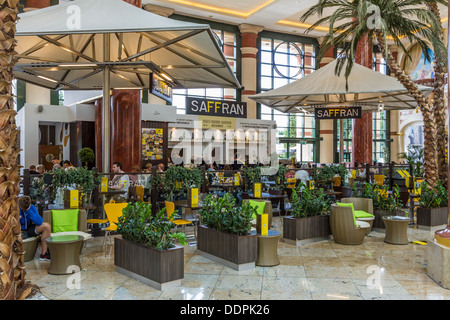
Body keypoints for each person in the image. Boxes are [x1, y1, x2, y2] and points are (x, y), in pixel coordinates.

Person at [19, 196, 52, 261]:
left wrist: (28, 211)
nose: (22, 208)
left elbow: (39, 222)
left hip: (29, 229)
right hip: (19, 230)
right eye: (21, 207)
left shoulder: (31, 207)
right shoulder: (16, 208)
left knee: (47, 226)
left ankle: (44, 254)